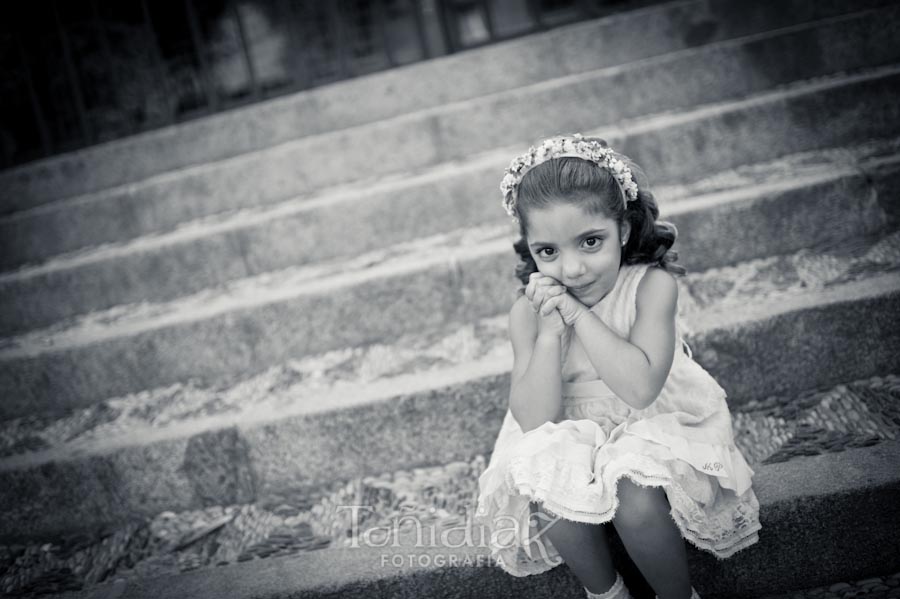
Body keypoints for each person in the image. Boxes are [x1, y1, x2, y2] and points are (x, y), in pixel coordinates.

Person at [474, 134, 761, 599]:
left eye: (590, 242)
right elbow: (534, 421)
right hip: (568, 426)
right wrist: (550, 335)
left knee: (635, 493)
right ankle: (606, 594)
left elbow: (640, 388)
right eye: (548, 251)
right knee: (546, 484)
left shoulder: (651, 287)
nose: (572, 270)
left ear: (623, 230)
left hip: (649, 423)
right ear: (530, 248)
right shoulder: (529, 313)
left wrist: (580, 317)